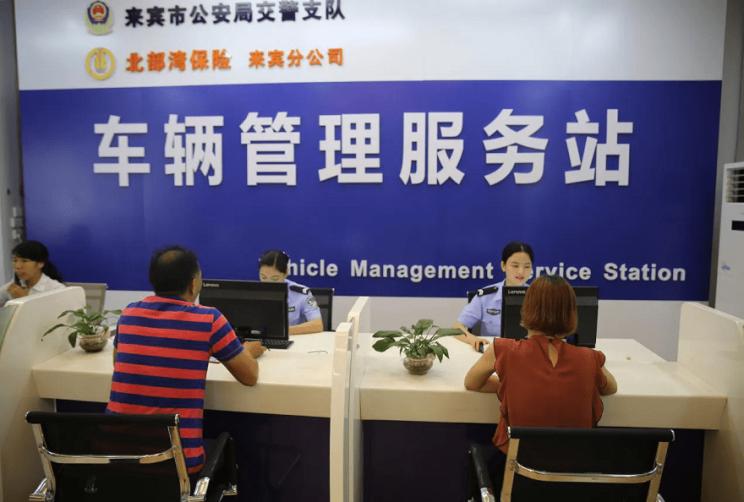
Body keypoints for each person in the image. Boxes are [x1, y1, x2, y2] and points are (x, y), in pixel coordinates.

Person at [107, 246, 265, 475]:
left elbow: (118, 364)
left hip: (118, 460)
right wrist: (247, 351)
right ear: (193, 284)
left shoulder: (129, 314)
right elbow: (250, 376)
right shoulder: (209, 319)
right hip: (177, 464)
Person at [463, 275, 617, 487]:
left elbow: (472, 382)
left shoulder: (503, 349)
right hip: (574, 483)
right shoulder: (589, 358)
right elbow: (610, 387)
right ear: (572, 313)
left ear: (527, 308)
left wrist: (514, 383)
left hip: (518, 482)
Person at [455, 241, 534, 351]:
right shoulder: (486, 296)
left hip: (528, 353)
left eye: (527, 266)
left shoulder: (539, 297)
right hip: (493, 353)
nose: (521, 271)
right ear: (503, 266)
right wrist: (473, 340)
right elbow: (456, 328)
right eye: (515, 266)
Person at [258, 250, 323, 335]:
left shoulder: (301, 293)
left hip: (292, 340)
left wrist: (283, 331)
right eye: (263, 277)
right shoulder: (251, 292)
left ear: (286, 273)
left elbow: (317, 325)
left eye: (275, 278)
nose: (268, 283)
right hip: (258, 340)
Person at [0, 240, 65, 307]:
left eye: (25, 261)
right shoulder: (16, 284)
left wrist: (24, 299)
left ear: (40, 264)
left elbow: (54, 313)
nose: (18, 266)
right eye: (15, 260)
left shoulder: (56, 289)